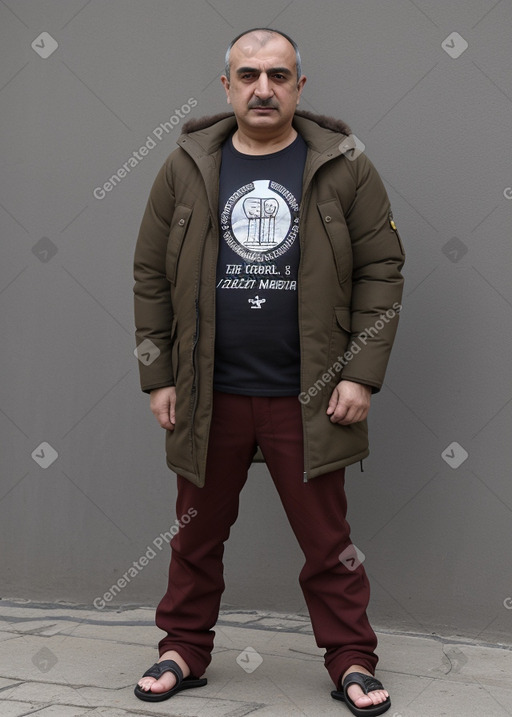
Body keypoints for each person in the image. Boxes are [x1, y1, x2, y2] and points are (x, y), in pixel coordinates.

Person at [133, 27, 404, 716]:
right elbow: (150, 274)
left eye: (278, 75)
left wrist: (360, 375)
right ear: (225, 86)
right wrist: (159, 375)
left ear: (299, 87)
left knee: (328, 541)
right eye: (248, 74)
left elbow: (381, 269)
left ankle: (350, 657)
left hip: (308, 395)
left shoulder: (344, 165)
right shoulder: (187, 164)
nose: (263, 87)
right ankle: (183, 648)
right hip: (207, 393)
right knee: (195, 532)